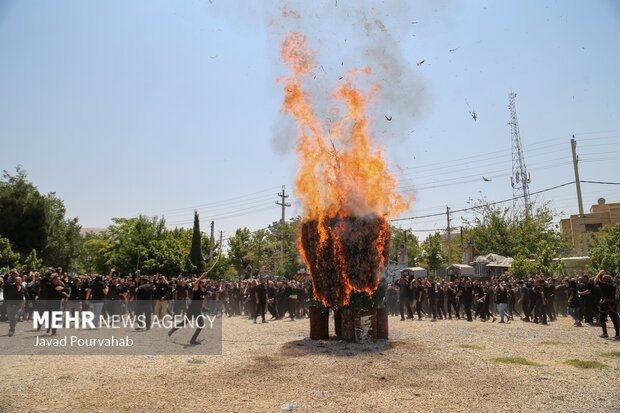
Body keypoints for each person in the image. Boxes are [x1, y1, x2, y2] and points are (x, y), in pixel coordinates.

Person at [169, 272, 207, 345]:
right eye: (203, 281)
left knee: (201, 325)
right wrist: (202, 276)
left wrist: (204, 306)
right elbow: (195, 283)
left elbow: (203, 299)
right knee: (184, 323)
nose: (205, 281)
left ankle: (193, 340)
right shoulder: (196, 288)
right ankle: (173, 329)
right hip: (192, 310)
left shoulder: (204, 290)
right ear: (200, 283)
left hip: (198, 311)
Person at [593, 270, 619, 340]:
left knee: (602, 319)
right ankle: (617, 334)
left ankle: (605, 333)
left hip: (605, 304)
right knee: (614, 319)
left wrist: (599, 273)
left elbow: (594, 281)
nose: (602, 279)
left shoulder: (604, 285)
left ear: (606, 280)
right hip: (612, 303)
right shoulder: (613, 285)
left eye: (604, 278)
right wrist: (602, 275)